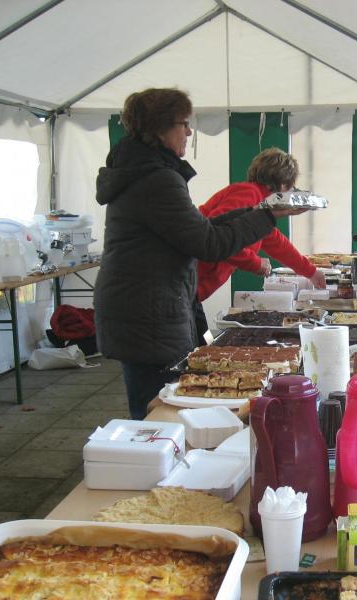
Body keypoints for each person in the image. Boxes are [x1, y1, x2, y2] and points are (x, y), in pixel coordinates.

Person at [93, 88, 298, 420]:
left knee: (162, 403)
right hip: (149, 312)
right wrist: (267, 216)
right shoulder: (157, 179)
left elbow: (200, 227)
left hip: (146, 307)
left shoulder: (147, 172)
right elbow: (208, 243)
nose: (189, 132)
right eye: (183, 124)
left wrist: (261, 214)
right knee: (159, 412)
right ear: (160, 128)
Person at [195, 148, 327, 330]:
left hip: (193, 289)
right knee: (196, 341)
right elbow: (216, 236)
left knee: (199, 338)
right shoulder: (249, 194)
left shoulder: (260, 205)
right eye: (290, 188)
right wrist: (255, 263)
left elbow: (278, 244)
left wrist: (311, 272)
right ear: (282, 185)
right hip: (188, 283)